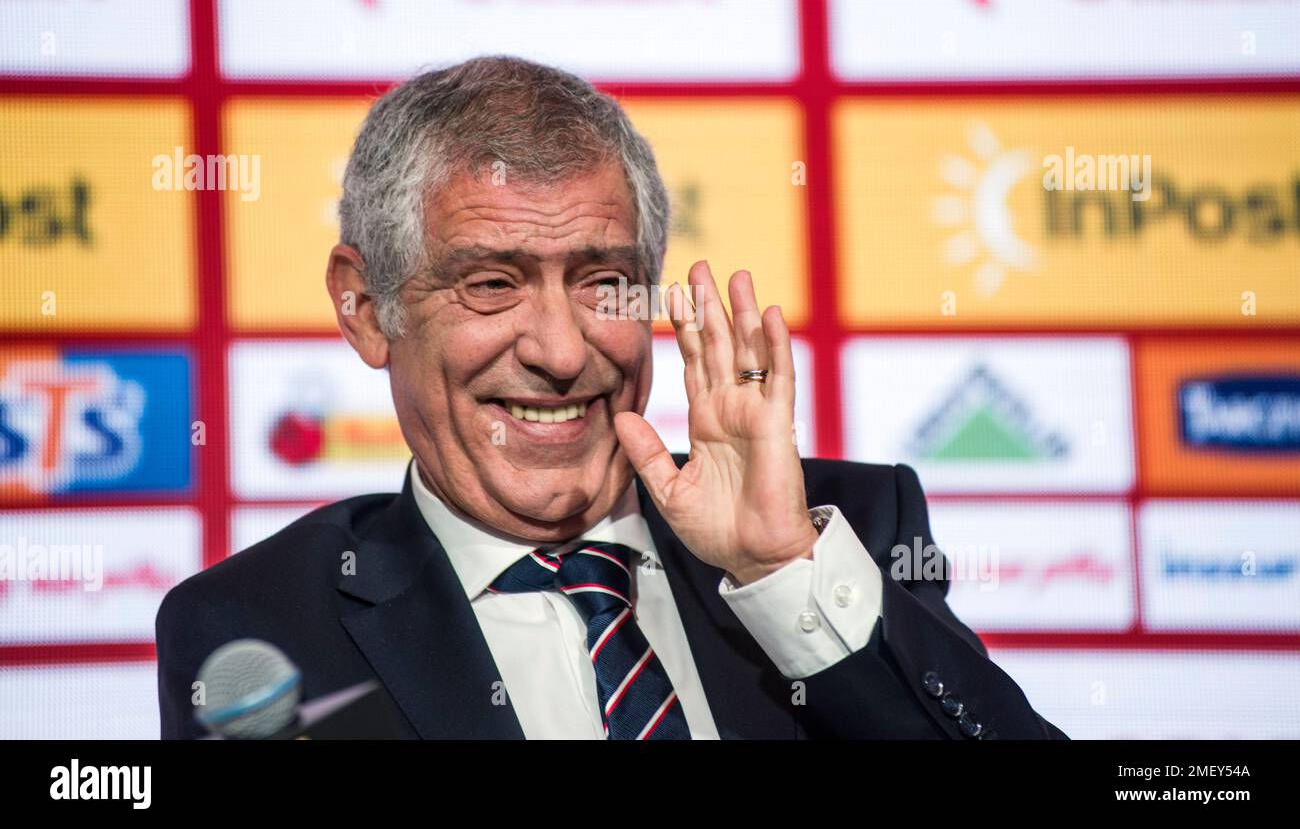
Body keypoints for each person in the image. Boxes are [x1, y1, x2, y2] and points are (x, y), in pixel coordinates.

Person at [156, 55, 1067, 740]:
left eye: (603, 282)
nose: (561, 352)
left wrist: (784, 572)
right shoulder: (262, 622)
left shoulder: (849, 529)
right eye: (491, 284)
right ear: (364, 308)